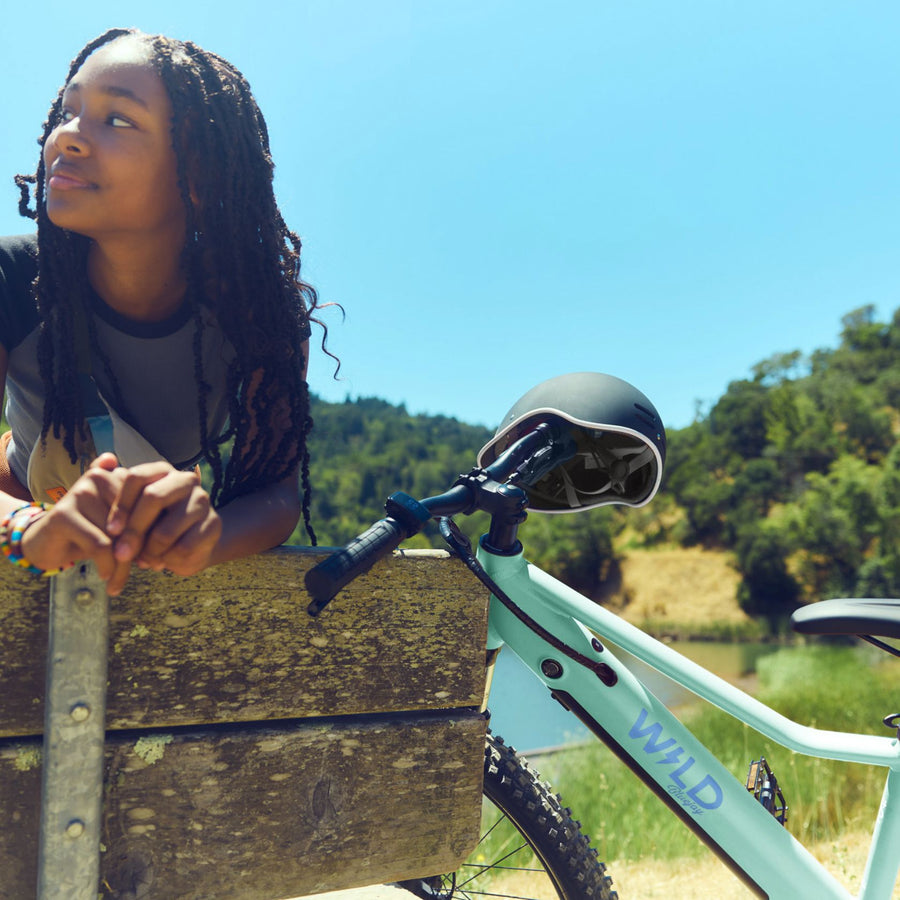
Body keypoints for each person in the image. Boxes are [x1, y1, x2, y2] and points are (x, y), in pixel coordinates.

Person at [0, 27, 327, 596]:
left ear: (198, 175)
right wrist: (28, 530)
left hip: (139, 559)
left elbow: (276, 492)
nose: (68, 137)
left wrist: (208, 538)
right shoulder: (10, 276)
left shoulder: (260, 316)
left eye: (118, 120)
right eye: (69, 110)